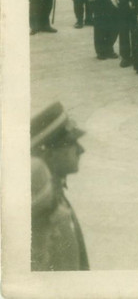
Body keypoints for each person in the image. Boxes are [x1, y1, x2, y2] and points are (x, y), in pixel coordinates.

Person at [31, 102, 89, 271]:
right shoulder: (46, 212)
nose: (81, 150)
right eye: (71, 144)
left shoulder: (55, 195)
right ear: (47, 153)